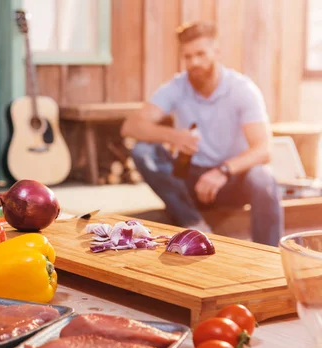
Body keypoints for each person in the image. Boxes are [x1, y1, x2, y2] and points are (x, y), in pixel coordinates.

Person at [121, 21, 283, 246]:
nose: (194, 62)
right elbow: (130, 126)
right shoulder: (177, 86)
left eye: (200, 54)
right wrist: (173, 136)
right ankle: (193, 223)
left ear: (216, 52)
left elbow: (264, 149)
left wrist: (223, 170)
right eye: (187, 56)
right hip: (190, 180)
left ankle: (270, 255)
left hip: (231, 180)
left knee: (263, 177)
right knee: (143, 151)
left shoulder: (242, 89)